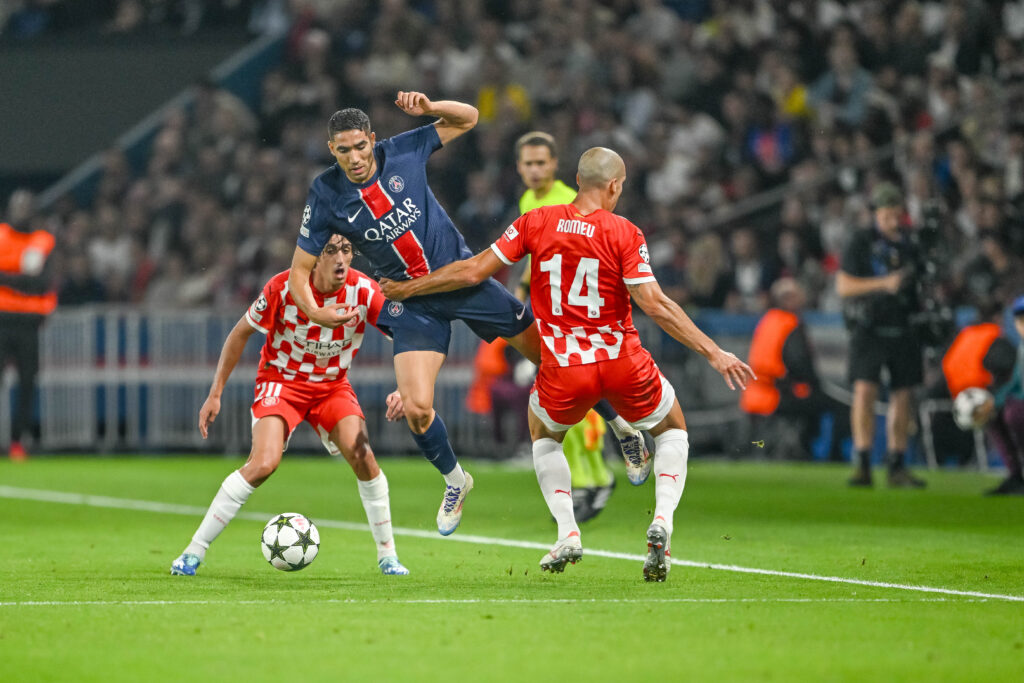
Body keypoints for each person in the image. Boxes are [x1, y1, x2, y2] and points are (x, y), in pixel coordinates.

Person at [380, 147, 754, 582]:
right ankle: (663, 521)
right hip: (622, 362)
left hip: (564, 368)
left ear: (577, 180)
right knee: (671, 429)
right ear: (614, 186)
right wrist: (714, 352)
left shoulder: (535, 222)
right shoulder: (626, 232)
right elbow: (656, 305)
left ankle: (567, 531)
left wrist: (411, 289)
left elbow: (472, 272)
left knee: (543, 435)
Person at [286, 92, 648, 536]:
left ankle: (622, 428)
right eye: (344, 150)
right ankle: (456, 480)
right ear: (332, 151)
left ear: (372, 140)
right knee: (417, 408)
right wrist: (317, 315)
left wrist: (431, 106)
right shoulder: (325, 192)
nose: (356, 157)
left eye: (361, 146)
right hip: (410, 303)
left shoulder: (401, 149)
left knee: (555, 359)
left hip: (463, 281)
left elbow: (470, 118)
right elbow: (298, 274)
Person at [171, 235, 411, 577]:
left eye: (346, 250)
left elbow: (406, 333)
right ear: (313, 257)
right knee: (264, 463)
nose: (341, 259)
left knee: (363, 456)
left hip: (332, 386)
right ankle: (193, 552)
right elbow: (240, 333)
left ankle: (388, 557)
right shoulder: (282, 288)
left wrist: (407, 386)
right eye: (330, 250)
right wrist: (215, 393)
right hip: (281, 382)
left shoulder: (364, 290)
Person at [513, 131, 615, 521]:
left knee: (580, 399)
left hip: (576, 315)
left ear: (556, 166)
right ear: (520, 168)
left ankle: (598, 479)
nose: (536, 170)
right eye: (529, 163)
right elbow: (534, 253)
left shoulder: (564, 201)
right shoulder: (529, 201)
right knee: (561, 402)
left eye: (542, 163)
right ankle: (586, 481)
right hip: (549, 313)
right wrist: (522, 288)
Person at [837, 181, 927, 488]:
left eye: (895, 212)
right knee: (865, 391)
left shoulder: (912, 245)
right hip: (869, 326)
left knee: (903, 395)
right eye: (885, 212)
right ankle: (863, 462)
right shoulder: (860, 241)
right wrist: (884, 284)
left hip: (904, 325)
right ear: (875, 213)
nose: (891, 218)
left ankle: (896, 464)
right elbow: (844, 286)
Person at [740, 277, 850, 460]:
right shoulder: (789, 324)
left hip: (755, 394)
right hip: (778, 395)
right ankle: (833, 455)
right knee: (839, 406)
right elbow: (800, 364)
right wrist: (816, 383)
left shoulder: (767, 321)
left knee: (813, 402)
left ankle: (805, 447)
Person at [0, 189, 56, 461]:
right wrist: (24, 279)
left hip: (29, 325)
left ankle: (17, 442)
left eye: (26, 206)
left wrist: (8, 278)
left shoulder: (43, 241)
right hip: (1, 322)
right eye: (17, 205)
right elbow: (31, 281)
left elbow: (43, 283)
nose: (22, 211)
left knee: (26, 384)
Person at [952, 296, 1024, 495]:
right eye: (1020, 320)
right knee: (996, 416)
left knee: (1014, 413)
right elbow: (1016, 385)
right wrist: (993, 402)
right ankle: (1016, 476)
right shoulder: (1021, 349)